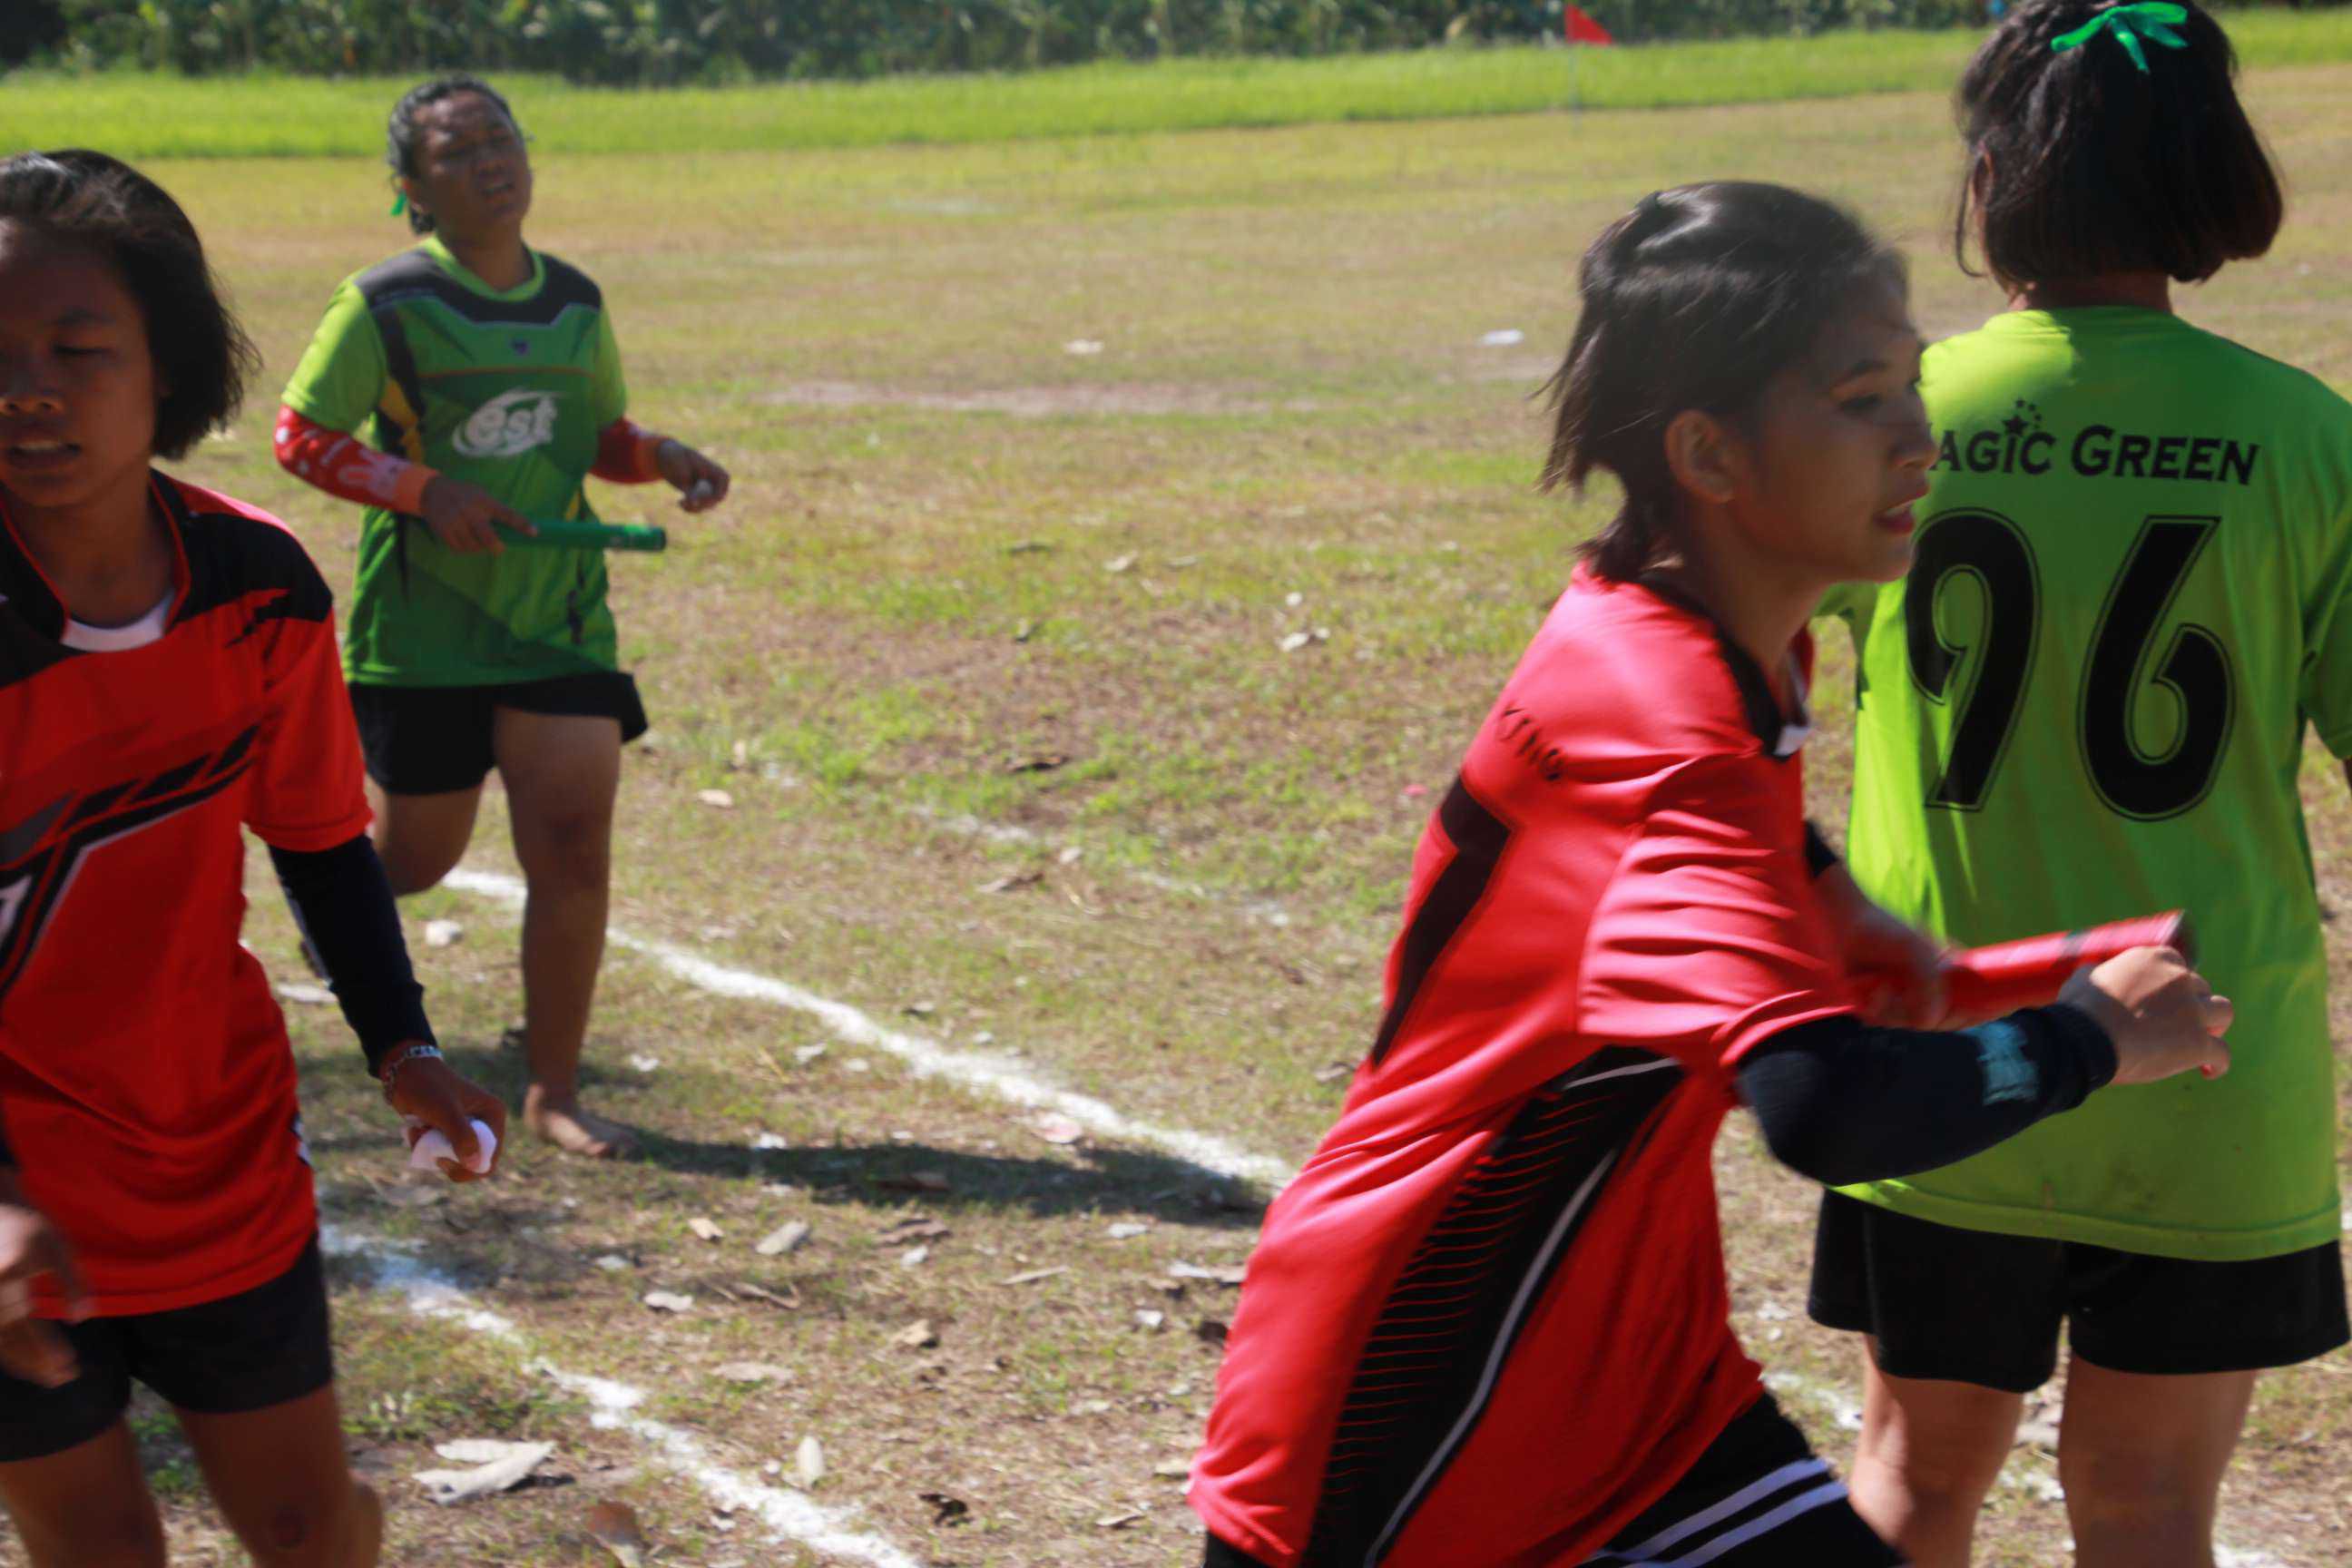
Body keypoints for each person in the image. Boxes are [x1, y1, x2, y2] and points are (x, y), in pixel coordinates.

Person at [1186, 180, 2234, 1568]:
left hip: (1631, 1395)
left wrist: (1821, 891)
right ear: (1709, 453)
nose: (1919, 438)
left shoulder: (1681, 628)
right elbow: (1825, 1107)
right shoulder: (1671, 728)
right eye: (1861, 399)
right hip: (1421, 1420)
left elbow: (1658, 838)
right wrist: (2089, 1041)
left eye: (1912, 383)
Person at [1810, 5, 2352, 1565]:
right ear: (2210, 176)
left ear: (1991, 177)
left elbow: (1710, 693)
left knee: (1911, 1485)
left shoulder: (1889, 417)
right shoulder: (2308, 439)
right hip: (2209, 1064)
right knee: (2153, 1510)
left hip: (1947, 1064)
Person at [0, 148, 506, 1567]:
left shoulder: (258, 586)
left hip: (212, 1160)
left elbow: (320, 841)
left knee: (310, 1530)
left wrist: (404, 1048)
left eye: (76, 349)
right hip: (17, 1191)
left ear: (167, 365)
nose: (26, 389)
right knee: (101, 1550)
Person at [276, 74, 730, 1160]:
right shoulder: (382, 303)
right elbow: (301, 437)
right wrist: (424, 491)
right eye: (457, 150)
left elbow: (595, 437)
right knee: (416, 862)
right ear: (411, 187)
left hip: (558, 620)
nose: (490, 161)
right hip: (425, 631)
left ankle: (554, 1091)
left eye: (501, 138)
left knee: (572, 849)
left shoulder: (575, 301)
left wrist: (661, 455)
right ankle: (334, 904)